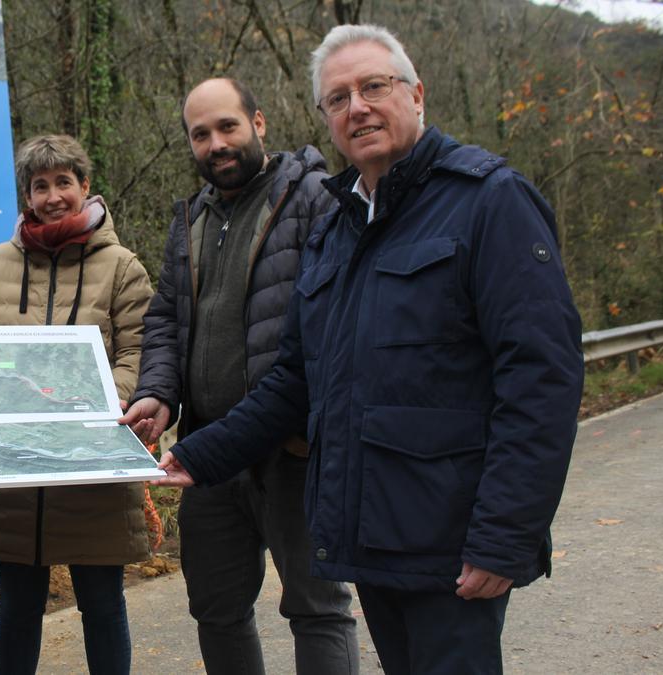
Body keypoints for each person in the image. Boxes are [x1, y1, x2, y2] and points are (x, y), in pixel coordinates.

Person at [155, 25, 584, 675]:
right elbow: (296, 377)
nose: (357, 107)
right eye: (337, 98)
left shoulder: (488, 202)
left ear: (416, 94)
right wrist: (199, 454)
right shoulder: (339, 228)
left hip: (453, 544)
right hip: (373, 539)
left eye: (373, 87)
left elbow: (542, 379)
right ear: (326, 118)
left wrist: (504, 537)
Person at [118, 77, 358, 674]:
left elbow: (327, 336)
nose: (216, 144)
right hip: (207, 450)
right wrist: (158, 392)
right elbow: (166, 318)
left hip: (296, 446)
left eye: (227, 126)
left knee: (317, 609)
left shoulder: (315, 199)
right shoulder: (192, 217)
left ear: (259, 122)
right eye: (201, 134)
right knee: (217, 610)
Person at [0, 133, 153, 674]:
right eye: (41, 186)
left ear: (85, 187)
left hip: (93, 467)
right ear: (27, 196)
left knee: (103, 605)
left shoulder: (123, 266)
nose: (53, 195)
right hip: (13, 473)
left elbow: (138, 351)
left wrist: (110, 405)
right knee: (17, 608)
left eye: (64, 182)